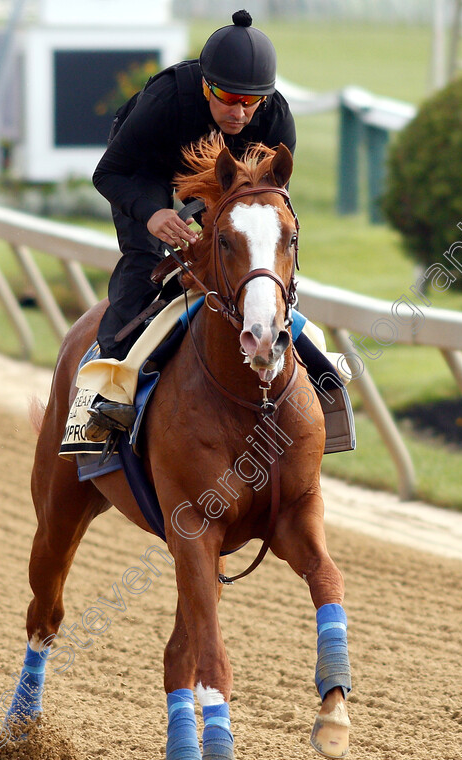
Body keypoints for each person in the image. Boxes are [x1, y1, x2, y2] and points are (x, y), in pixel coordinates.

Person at [87, 9, 296, 440]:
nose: (239, 113)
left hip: (225, 188)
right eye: (226, 97)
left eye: (250, 101)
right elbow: (107, 174)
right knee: (146, 259)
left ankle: (318, 378)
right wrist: (153, 214)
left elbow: (269, 207)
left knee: (260, 261)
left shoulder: (275, 119)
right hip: (145, 173)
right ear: (205, 84)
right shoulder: (168, 98)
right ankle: (110, 390)